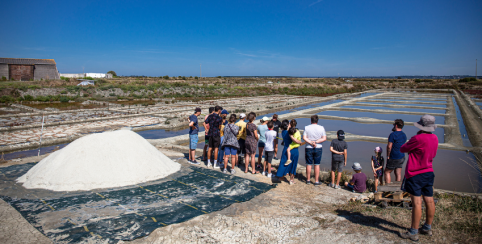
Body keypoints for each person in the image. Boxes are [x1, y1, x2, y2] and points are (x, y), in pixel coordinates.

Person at [399, 115, 438, 241]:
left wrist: (412, 142)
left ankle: (413, 232)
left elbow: (403, 148)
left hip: (415, 173)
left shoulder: (417, 138)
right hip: (429, 172)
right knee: (429, 200)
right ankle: (427, 227)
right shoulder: (435, 138)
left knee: (417, 202)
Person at [303, 115, 327, 185]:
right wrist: (316, 142)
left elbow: (304, 137)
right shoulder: (321, 128)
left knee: (308, 164)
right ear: (317, 121)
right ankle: (316, 181)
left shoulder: (307, 127)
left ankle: (308, 180)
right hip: (318, 147)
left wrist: (311, 142)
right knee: (317, 164)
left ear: (311, 121)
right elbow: (324, 138)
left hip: (308, 147)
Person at [280, 119, 302, 185]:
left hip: (289, 148)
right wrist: (300, 142)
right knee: (294, 165)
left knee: (287, 163)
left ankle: (283, 175)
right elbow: (297, 140)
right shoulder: (296, 131)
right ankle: (291, 180)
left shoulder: (288, 131)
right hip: (295, 149)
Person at [385, 119, 407, 183]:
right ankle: (397, 188)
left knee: (387, 172)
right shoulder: (404, 135)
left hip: (394, 156)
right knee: (398, 172)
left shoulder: (393, 134)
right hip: (402, 156)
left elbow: (389, 146)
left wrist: (388, 155)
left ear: (396, 125)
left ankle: (388, 189)